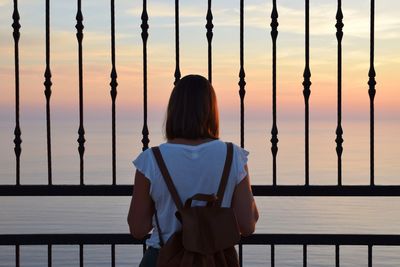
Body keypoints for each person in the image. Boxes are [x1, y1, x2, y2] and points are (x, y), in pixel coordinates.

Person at [127, 74, 259, 266]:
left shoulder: (151, 160)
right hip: (216, 260)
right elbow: (247, 225)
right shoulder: (234, 157)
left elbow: (138, 228)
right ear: (212, 111)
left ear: (173, 111)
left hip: (163, 258)